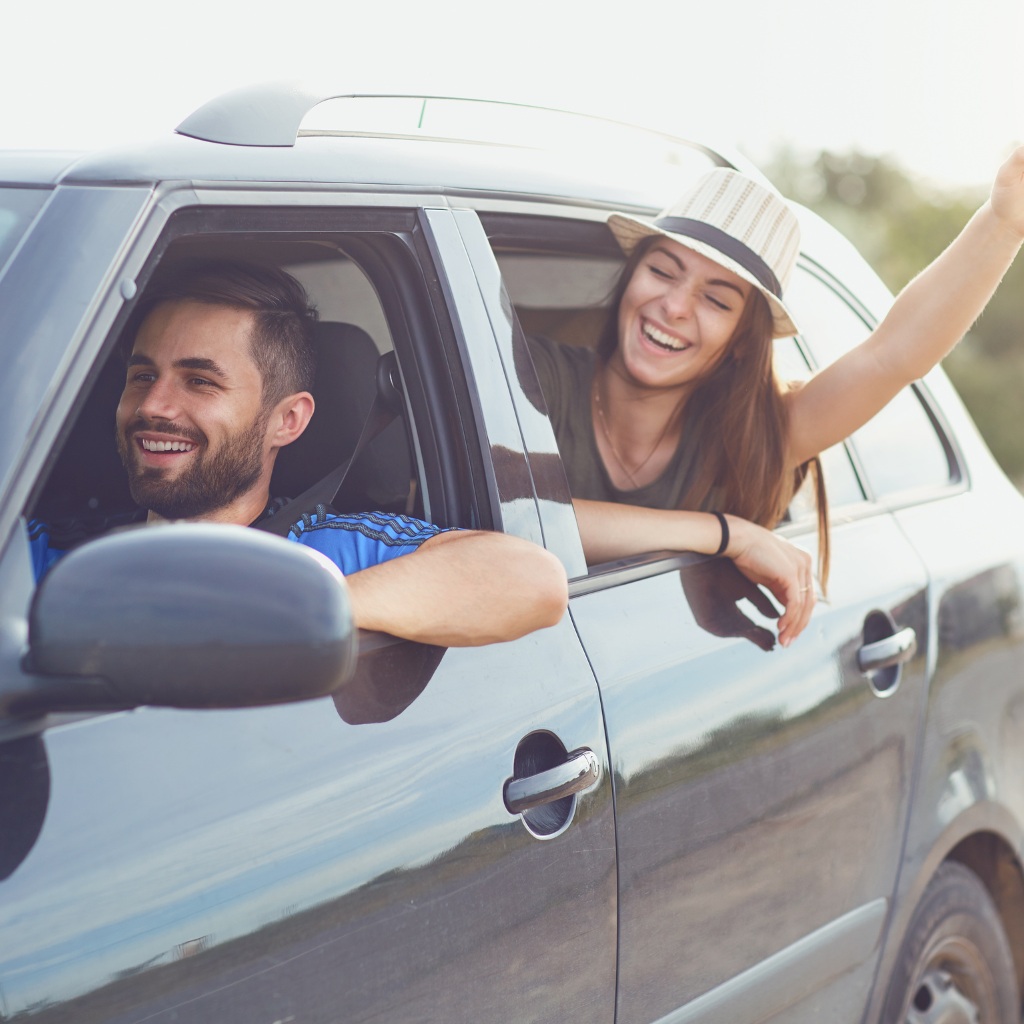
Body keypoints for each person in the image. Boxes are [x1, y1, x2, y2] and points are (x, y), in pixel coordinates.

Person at [528, 148, 1024, 647]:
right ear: (631, 273)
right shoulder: (534, 378)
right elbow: (523, 519)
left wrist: (1003, 223)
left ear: (743, 340)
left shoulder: (755, 435)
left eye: (716, 300)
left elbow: (890, 356)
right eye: (662, 271)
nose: (674, 306)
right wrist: (729, 534)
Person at [28, 261, 568, 648]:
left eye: (200, 381)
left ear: (288, 420)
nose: (153, 404)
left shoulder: (333, 547)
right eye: (143, 375)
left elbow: (531, 579)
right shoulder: (42, 550)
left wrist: (282, 613)